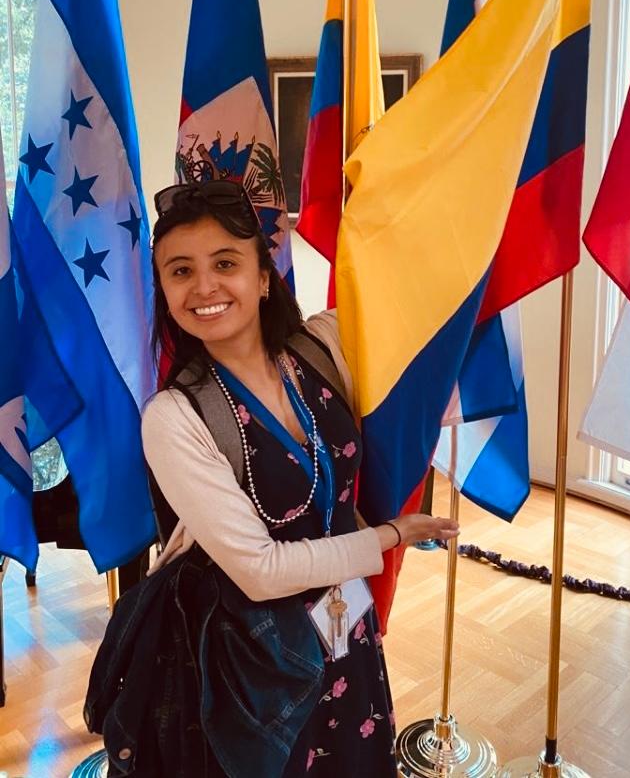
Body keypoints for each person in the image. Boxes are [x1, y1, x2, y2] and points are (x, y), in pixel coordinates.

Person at [138, 179, 458, 777]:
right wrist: (389, 537)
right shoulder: (173, 418)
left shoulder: (323, 346)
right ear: (163, 288)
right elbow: (259, 573)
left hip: (345, 627)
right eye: (180, 271)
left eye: (225, 263)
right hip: (257, 652)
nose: (204, 287)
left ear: (264, 277)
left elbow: (417, 282)